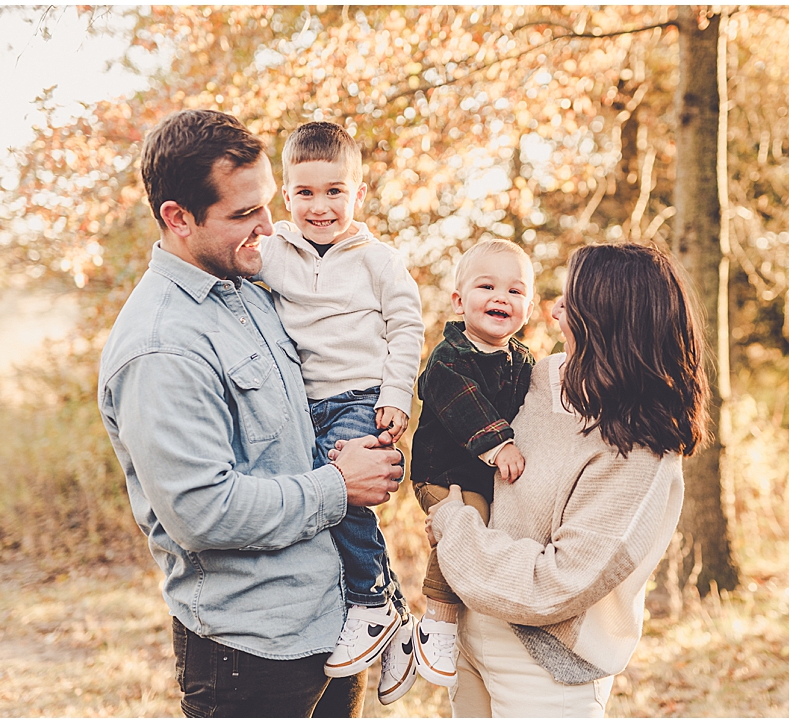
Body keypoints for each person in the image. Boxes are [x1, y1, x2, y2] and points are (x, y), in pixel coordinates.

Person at [97, 109, 404, 717]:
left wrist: (377, 423)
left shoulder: (250, 288)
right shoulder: (161, 347)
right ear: (178, 218)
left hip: (331, 629)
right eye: (243, 214)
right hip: (250, 657)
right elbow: (202, 512)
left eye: (267, 204)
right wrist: (340, 487)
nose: (269, 226)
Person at [425, 242, 710, 717]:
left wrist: (454, 527)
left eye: (570, 302)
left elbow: (556, 583)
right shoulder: (544, 376)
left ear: (604, 321)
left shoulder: (640, 452)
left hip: (544, 668)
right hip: (472, 632)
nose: (555, 311)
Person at [253, 121, 425, 704]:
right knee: (315, 504)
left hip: (360, 397)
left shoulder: (378, 260)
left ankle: (372, 602)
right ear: (284, 193)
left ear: (358, 192)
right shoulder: (274, 250)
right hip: (302, 406)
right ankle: (394, 613)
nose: (320, 206)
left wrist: (396, 397)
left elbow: (406, 329)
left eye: (334, 191)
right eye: (304, 193)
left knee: (344, 492)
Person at [409, 239, 536, 688]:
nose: (501, 297)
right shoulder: (450, 357)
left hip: (482, 479)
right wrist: (501, 446)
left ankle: (427, 638)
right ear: (460, 302)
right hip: (440, 474)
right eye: (487, 286)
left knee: (482, 527)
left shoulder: (523, 361)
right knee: (466, 521)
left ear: (529, 308)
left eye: (516, 291)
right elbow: (467, 408)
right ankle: (436, 624)